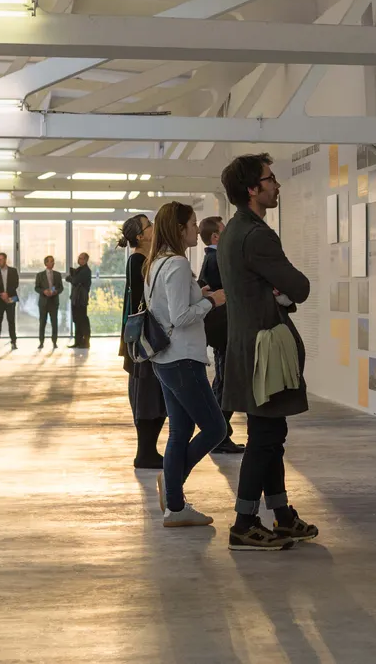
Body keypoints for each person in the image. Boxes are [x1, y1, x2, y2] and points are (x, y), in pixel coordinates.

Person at [219, 153, 316, 552]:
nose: (277, 185)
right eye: (270, 179)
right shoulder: (257, 235)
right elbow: (300, 286)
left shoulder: (233, 231)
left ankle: (282, 515)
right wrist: (284, 290)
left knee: (270, 433)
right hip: (264, 350)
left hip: (249, 345)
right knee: (265, 437)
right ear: (251, 189)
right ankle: (244, 523)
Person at [145, 201, 227, 527]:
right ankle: (172, 482)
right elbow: (179, 317)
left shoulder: (156, 263)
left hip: (164, 359)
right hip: (182, 359)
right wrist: (211, 301)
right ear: (180, 229)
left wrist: (198, 295)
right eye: (192, 224)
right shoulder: (178, 264)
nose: (196, 229)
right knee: (216, 428)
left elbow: (167, 308)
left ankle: (175, 507)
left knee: (180, 431)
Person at [120, 214, 166, 469]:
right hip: (143, 340)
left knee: (153, 393)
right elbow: (143, 301)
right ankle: (145, 452)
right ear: (140, 236)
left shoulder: (146, 259)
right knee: (147, 393)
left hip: (147, 337)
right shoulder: (137, 261)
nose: (154, 227)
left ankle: (149, 451)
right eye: (149, 226)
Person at [198, 215, 244, 455]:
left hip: (221, 328)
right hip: (223, 328)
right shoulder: (216, 259)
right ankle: (219, 435)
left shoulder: (213, 257)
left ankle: (219, 434)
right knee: (226, 382)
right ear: (216, 237)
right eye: (224, 231)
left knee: (224, 380)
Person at [0, 252, 19, 350]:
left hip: (11, 299)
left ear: (5, 260)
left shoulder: (13, 271)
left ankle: (13, 342)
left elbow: (16, 284)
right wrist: (2, 294)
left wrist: (7, 294)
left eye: (1, 260)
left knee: (11, 321)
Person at [35, 255, 64, 350]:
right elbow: (36, 288)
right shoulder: (40, 275)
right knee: (42, 323)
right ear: (46, 263)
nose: (53, 263)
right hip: (43, 302)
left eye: (53, 261)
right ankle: (41, 342)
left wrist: (56, 292)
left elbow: (61, 288)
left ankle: (54, 342)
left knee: (54, 322)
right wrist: (44, 291)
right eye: (51, 261)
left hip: (54, 302)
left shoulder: (57, 274)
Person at [66, 252, 92, 349]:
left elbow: (74, 280)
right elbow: (70, 278)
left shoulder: (86, 271)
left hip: (81, 299)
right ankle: (78, 342)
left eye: (81, 258)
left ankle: (85, 342)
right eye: (79, 258)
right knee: (76, 320)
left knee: (82, 320)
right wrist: (72, 278)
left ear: (86, 260)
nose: (79, 260)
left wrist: (72, 278)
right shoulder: (79, 270)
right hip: (75, 299)